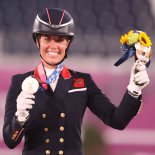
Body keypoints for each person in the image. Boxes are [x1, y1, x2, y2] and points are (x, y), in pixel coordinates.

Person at [3, 8, 150, 155]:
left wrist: (134, 89)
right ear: (37, 41)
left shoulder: (83, 82)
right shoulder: (20, 82)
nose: (53, 46)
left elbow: (117, 120)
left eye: (60, 40)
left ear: (68, 43)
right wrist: (20, 117)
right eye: (47, 39)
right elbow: (10, 141)